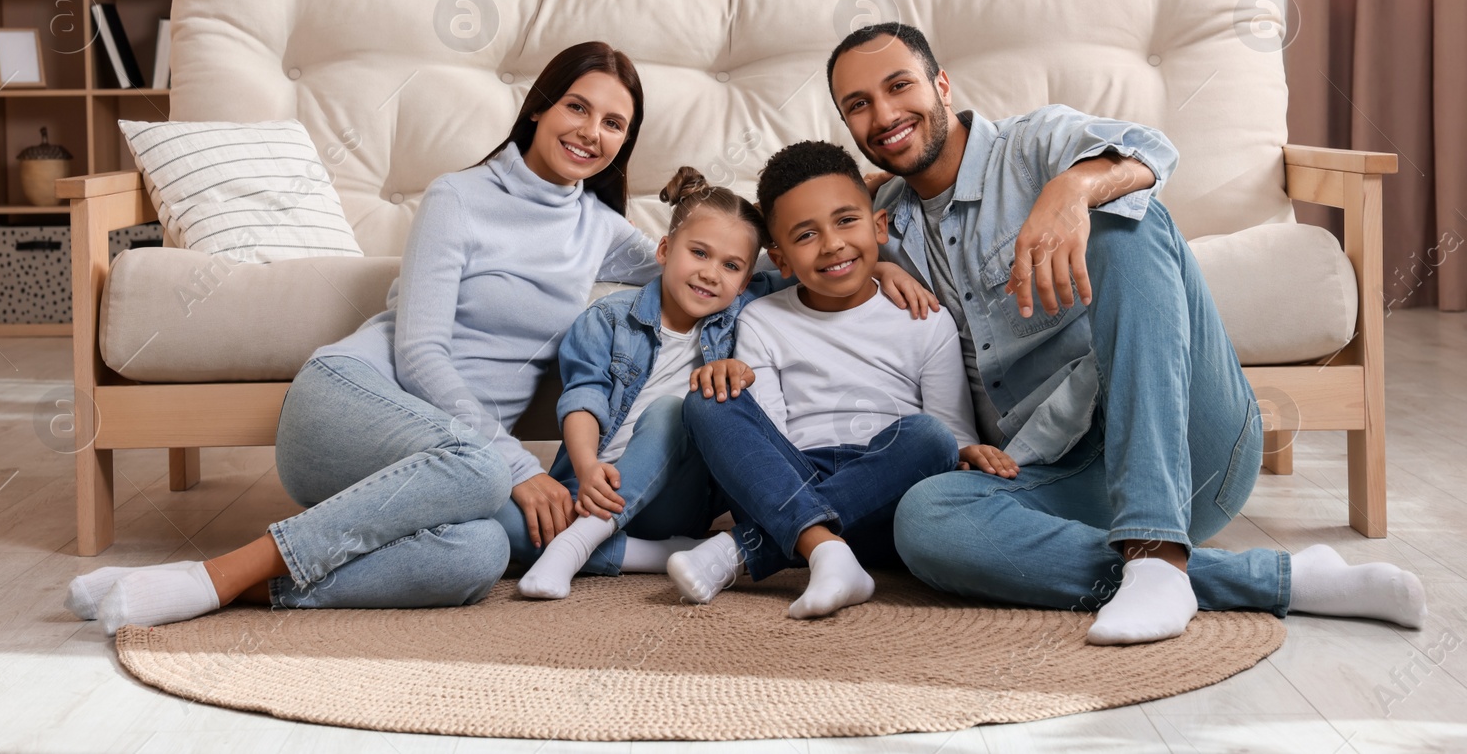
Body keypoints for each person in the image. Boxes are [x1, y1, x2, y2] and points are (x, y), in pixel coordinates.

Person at [826, 21, 1425, 644]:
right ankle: (1275, 580)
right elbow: (777, 252)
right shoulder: (875, 223)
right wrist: (866, 265)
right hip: (1062, 474)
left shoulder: (1032, 144)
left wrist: (1073, 189)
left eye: (899, 86)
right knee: (924, 521)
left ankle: (1158, 549)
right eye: (859, 105)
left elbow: (1151, 153)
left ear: (941, 85)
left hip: (1194, 450)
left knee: (1126, 220)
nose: (885, 114)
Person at [66, 41, 663, 633]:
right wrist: (513, 464)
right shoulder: (458, 196)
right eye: (577, 108)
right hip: (348, 401)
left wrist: (755, 247)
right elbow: (419, 351)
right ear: (539, 108)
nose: (592, 132)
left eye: (614, 124)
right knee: (484, 472)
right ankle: (216, 577)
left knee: (478, 556)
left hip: (450, 462)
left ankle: (225, 585)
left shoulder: (600, 229)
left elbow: (702, 271)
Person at [517, 165, 937, 598]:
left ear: (744, 282)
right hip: (594, 484)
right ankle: (655, 555)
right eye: (698, 253)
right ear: (664, 248)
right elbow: (583, 398)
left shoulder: (745, 309)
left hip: (677, 497)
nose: (711, 274)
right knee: (512, 529)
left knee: (674, 409)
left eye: (731, 266)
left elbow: (822, 268)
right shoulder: (607, 319)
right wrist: (587, 466)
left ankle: (578, 543)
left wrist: (882, 270)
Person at [668, 141, 1016, 620]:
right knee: (706, 400)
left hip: (885, 491)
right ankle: (825, 549)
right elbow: (770, 441)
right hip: (789, 476)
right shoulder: (764, 319)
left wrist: (961, 448)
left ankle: (747, 550)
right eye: (805, 235)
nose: (832, 244)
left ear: (879, 225)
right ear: (781, 259)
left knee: (929, 437)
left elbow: (949, 432)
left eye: (846, 221)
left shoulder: (922, 316)